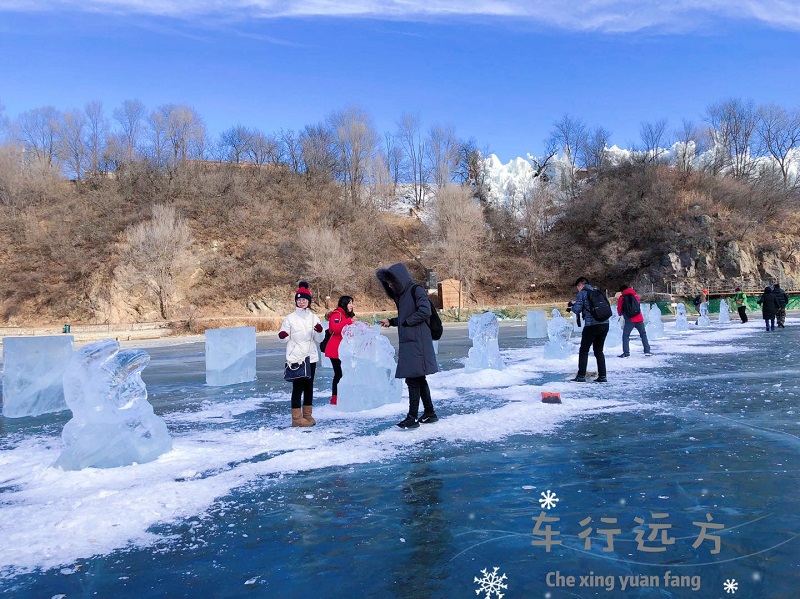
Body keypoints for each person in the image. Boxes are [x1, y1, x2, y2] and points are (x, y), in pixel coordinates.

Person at [376, 263, 439, 429]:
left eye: (391, 281)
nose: (389, 285)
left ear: (399, 279)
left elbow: (425, 311)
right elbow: (405, 316)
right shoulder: (402, 296)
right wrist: (391, 321)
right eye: (387, 283)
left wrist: (408, 322)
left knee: (413, 380)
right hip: (411, 342)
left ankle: (412, 417)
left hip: (418, 343)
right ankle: (430, 413)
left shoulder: (415, 290)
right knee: (419, 378)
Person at [278, 281, 325, 427]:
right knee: (298, 387)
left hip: (310, 356)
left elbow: (319, 339)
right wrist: (283, 335)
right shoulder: (290, 318)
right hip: (296, 357)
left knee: (309, 387)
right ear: (296, 302)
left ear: (309, 301)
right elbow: (283, 337)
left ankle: (307, 415)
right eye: (299, 300)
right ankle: (296, 419)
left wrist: (319, 331)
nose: (301, 302)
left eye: (304, 300)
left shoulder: (313, 317)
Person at [570, 277, 610, 382]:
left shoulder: (582, 293)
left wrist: (571, 307)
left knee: (584, 350)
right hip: (605, 324)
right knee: (599, 351)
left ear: (580, 285)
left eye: (577, 287)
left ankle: (581, 376)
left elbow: (577, 309)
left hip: (591, 325)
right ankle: (602, 376)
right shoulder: (598, 291)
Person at [324, 295, 354, 405]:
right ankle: (335, 398)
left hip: (342, 349)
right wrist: (349, 321)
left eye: (352, 303)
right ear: (344, 303)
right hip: (335, 350)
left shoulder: (344, 315)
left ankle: (342, 396)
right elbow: (335, 328)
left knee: (343, 373)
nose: (352, 305)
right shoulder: (337, 314)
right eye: (350, 303)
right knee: (339, 374)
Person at [616, 284, 652, 358]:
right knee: (643, 334)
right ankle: (647, 351)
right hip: (639, 318)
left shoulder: (622, 298)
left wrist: (620, 314)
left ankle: (626, 353)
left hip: (629, 319)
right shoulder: (635, 296)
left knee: (626, 336)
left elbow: (619, 310)